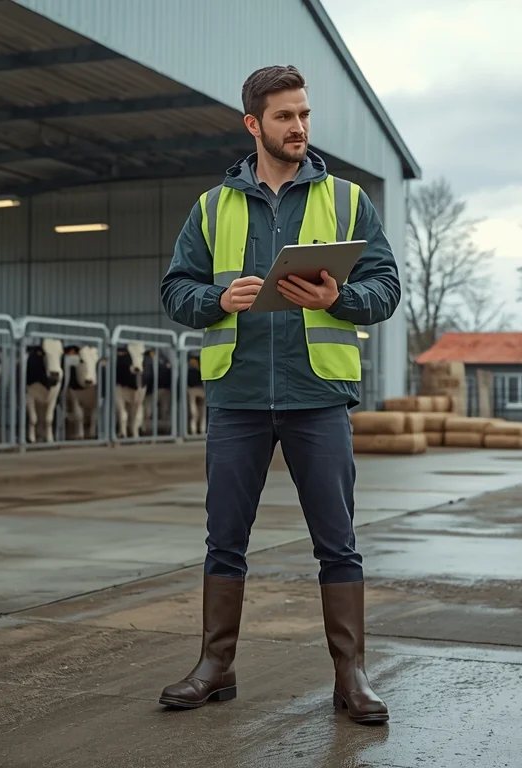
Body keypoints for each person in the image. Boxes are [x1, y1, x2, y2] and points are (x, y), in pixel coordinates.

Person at [158, 64, 400, 725]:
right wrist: (215, 298)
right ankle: (216, 667)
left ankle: (351, 676)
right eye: (286, 116)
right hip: (237, 395)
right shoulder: (212, 207)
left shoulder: (348, 200)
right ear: (253, 124)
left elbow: (386, 289)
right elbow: (175, 291)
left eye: (305, 114)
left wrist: (339, 296)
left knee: (338, 541)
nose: (299, 127)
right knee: (224, 541)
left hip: (317, 394)